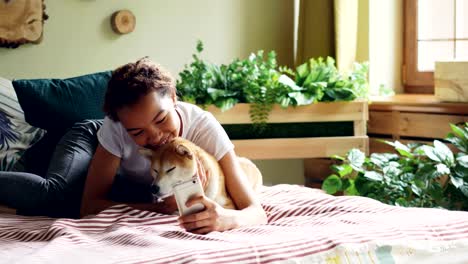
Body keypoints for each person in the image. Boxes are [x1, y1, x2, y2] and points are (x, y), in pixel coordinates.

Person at [79, 57, 267, 234]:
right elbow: (89, 206)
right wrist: (160, 208)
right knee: (57, 193)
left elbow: (256, 212)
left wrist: (224, 219)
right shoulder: (116, 128)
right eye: (137, 132)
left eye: (161, 119)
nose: (155, 136)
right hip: (86, 134)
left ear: (173, 97)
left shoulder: (203, 127)